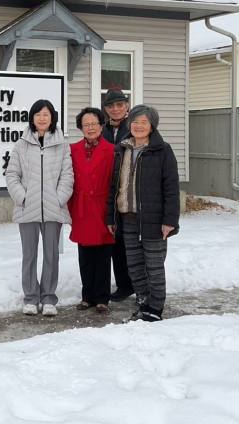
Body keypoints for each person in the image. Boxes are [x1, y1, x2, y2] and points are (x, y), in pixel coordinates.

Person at [106, 105, 180, 322]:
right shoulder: (122, 149)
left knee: (154, 267)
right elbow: (114, 187)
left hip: (153, 219)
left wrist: (169, 221)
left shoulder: (162, 150)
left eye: (144, 122)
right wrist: (111, 217)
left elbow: (171, 188)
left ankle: (155, 309)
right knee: (135, 267)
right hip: (127, 218)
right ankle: (143, 302)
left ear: (152, 126)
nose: (138, 126)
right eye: (135, 122)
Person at [5, 99, 73, 317]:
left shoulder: (62, 145)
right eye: (38, 114)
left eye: (46, 114)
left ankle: (49, 298)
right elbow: (11, 175)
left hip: (53, 209)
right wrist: (22, 198)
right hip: (28, 208)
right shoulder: (21, 144)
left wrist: (59, 199)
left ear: (52, 118)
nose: (42, 118)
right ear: (32, 118)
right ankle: (31, 298)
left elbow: (67, 176)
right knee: (29, 255)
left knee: (52, 255)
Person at [67, 108, 115, 313]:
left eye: (94, 123)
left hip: (102, 206)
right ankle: (87, 296)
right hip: (81, 206)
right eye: (86, 125)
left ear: (101, 125)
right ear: (81, 128)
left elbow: (115, 182)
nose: (90, 128)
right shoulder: (73, 149)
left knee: (103, 254)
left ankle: (102, 297)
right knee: (84, 253)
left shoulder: (112, 150)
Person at [100, 88, 134, 303]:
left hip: (129, 190)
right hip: (107, 190)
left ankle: (136, 283)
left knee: (131, 241)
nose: (115, 109)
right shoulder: (102, 130)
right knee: (114, 240)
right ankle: (123, 284)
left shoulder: (134, 127)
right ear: (106, 109)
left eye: (119, 104)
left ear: (126, 106)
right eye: (111, 106)